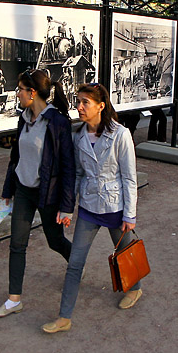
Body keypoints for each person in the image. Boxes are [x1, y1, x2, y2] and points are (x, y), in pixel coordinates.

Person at [42, 83, 141, 333]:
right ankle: (64, 317)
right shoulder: (79, 136)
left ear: (101, 106)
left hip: (115, 207)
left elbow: (129, 177)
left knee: (125, 254)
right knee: (75, 262)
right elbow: (76, 174)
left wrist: (129, 214)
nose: (79, 107)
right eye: (78, 101)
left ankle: (136, 288)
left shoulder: (120, 134)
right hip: (88, 207)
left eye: (85, 102)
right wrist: (67, 209)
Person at [0, 69, 75, 318]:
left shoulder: (57, 121)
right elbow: (15, 157)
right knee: (17, 244)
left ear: (32, 92)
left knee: (54, 240)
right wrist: (8, 190)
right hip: (23, 191)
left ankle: (76, 264)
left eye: (20, 89)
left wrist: (67, 205)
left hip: (47, 193)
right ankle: (14, 300)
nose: (17, 94)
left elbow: (68, 167)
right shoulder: (23, 118)